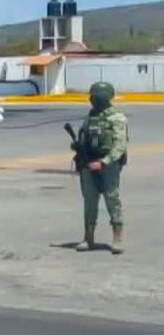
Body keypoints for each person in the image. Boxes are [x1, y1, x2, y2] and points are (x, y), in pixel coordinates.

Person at [74, 81, 128, 254]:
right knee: (89, 200)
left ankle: (117, 238)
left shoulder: (117, 117)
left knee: (112, 199)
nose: (91, 99)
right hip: (88, 164)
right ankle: (88, 237)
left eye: (94, 96)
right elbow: (84, 137)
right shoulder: (90, 116)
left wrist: (104, 162)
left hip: (108, 165)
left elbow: (119, 147)